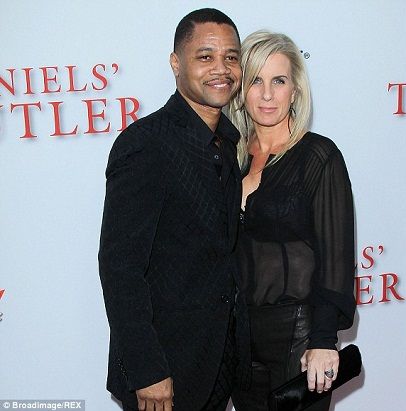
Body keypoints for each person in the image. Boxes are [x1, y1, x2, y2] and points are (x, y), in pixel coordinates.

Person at [98, 9, 250, 411]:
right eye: (205, 57)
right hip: (162, 372)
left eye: (231, 57)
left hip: (217, 365)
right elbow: (120, 267)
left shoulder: (227, 143)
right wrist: (147, 369)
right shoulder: (146, 144)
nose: (221, 69)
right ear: (176, 63)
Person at [229, 30, 356, 410]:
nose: (267, 95)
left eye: (279, 81)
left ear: (295, 90)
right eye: (256, 80)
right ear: (241, 91)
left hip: (298, 335)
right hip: (237, 337)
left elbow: (336, 256)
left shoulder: (318, 157)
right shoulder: (226, 158)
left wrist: (323, 341)